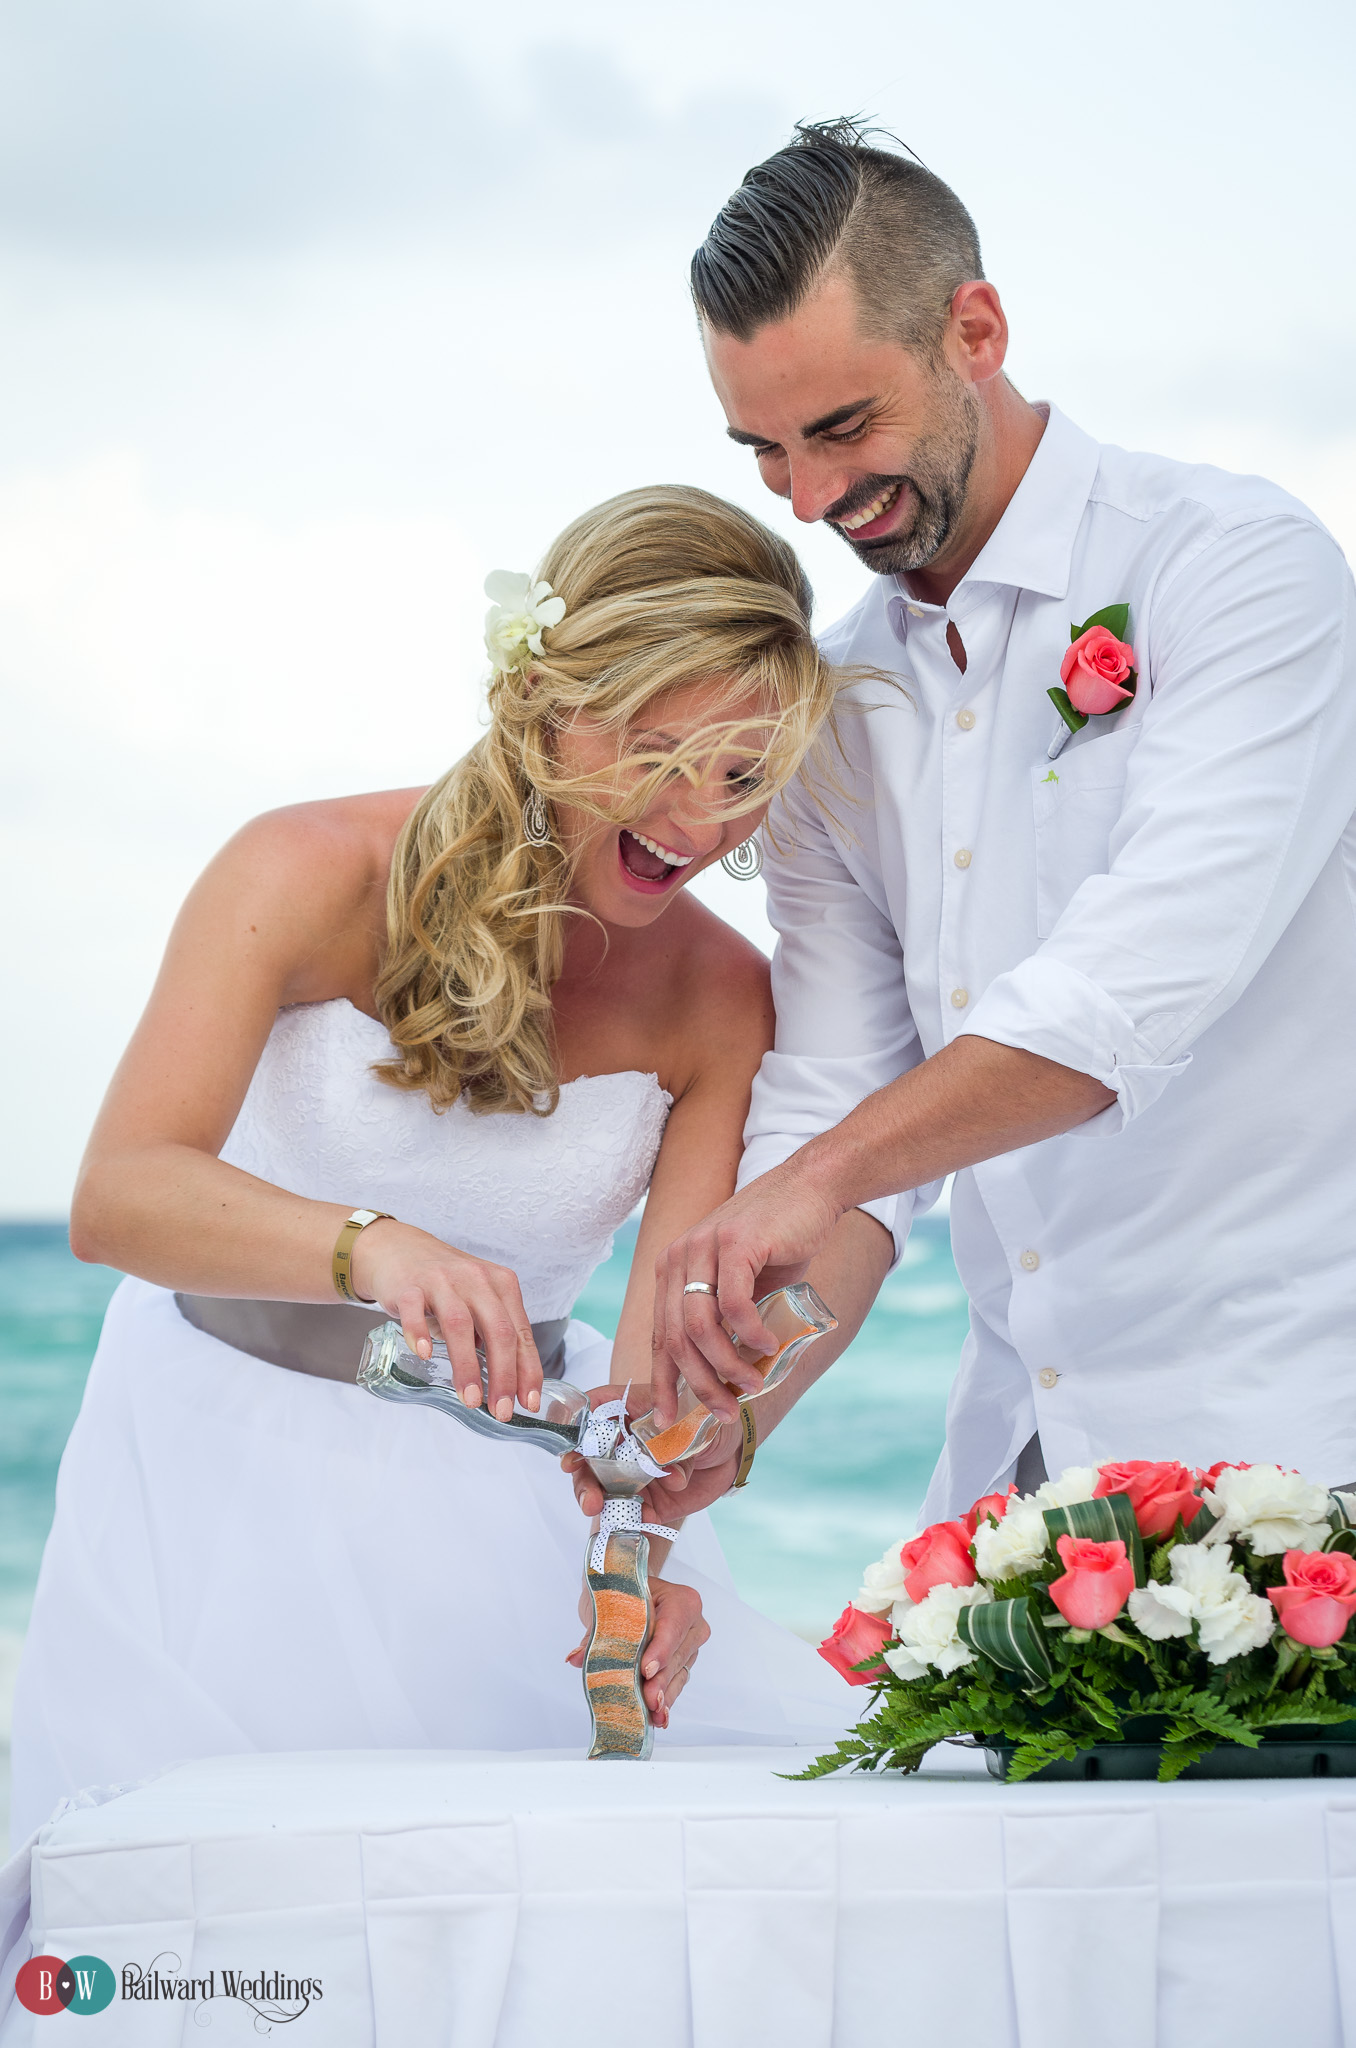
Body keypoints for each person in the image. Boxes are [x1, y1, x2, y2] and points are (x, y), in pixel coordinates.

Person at [9, 484, 855, 1846]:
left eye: (743, 778)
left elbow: (648, 1397)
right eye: (660, 752)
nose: (697, 820)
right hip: (217, 1468)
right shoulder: (301, 869)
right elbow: (119, 1196)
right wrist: (375, 1247)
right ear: (546, 696)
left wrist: (648, 1567)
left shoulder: (722, 998)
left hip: (504, 1521)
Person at [597, 121, 1356, 1545]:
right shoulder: (838, 706)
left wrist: (815, 1179)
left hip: (1303, 1451)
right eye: (762, 450)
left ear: (977, 331)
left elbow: (1136, 986)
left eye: (842, 428)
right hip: (1013, 1483)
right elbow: (837, 1091)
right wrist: (744, 1415)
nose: (813, 499)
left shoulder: (1237, 569)